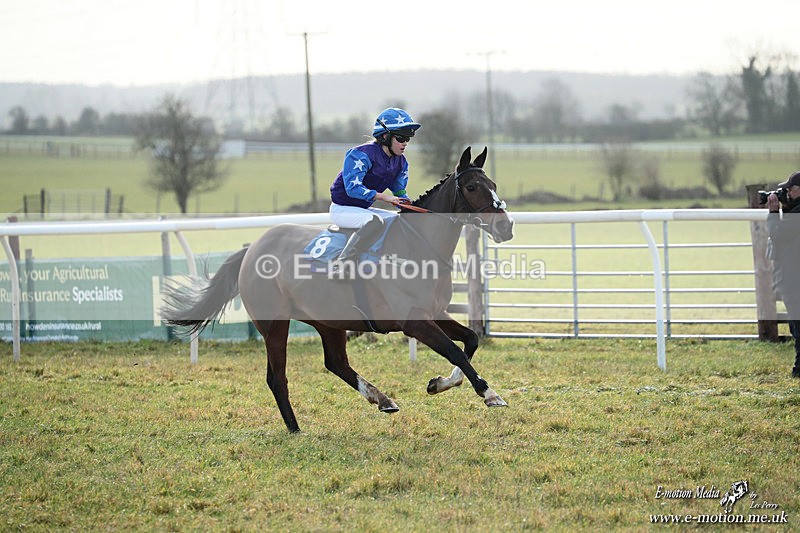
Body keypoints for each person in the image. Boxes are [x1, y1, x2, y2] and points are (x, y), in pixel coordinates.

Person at [328, 107, 421, 276]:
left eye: (408, 138)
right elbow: (353, 189)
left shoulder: (401, 162)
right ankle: (342, 264)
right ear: (385, 137)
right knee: (375, 221)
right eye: (401, 138)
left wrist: (411, 206)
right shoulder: (360, 155)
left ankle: (386, 260)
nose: (405, 143)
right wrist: (386, 198)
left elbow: (399, 191)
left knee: (397, 221)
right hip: (342, 208)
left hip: (363, 210)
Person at [766, 171, 800, 377]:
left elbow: (777, 234)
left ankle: (799, 369)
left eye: (790, 188)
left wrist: (772, 212)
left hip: (794, 278)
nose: (786, 192)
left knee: (797, 326)